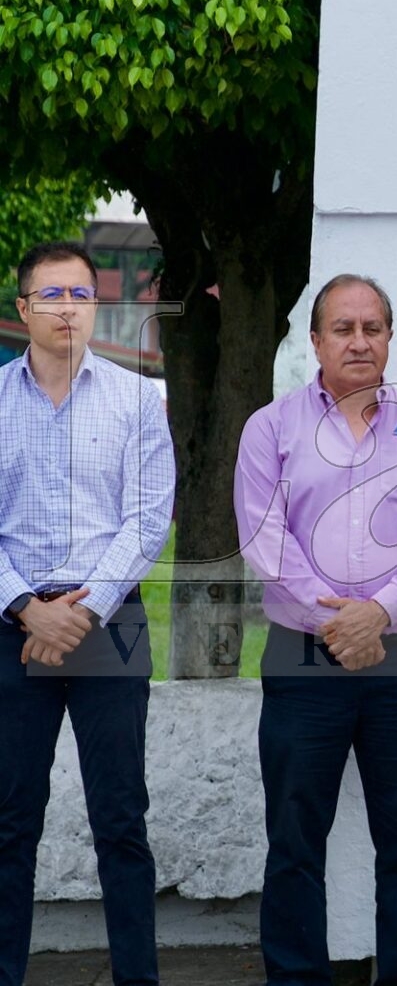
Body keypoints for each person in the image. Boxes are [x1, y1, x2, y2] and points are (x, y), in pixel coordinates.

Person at [235, 274, 397, 986]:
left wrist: (382, 613)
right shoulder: (270, 429)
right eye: (343, 328)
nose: (359, 340)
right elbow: (265, 539)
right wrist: (340, 624)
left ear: (390, 338)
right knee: (295, 843)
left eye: (373, 327)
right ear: (315, 342)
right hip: (302, 662)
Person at [0, 241, 175, 986]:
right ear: (23, 309)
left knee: (121, 821)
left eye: (80, 294)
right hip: (13, 628)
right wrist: (25, 607)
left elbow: (147, 519)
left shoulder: (137, 398)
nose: (67, 308)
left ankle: (138, 978)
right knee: (9, 823)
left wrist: (86, 609)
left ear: (97, 304)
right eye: (51, 295)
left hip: (111, 622)